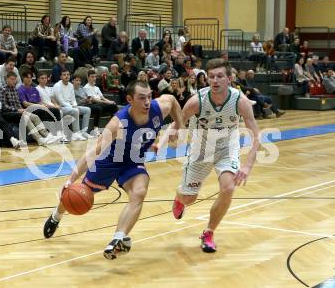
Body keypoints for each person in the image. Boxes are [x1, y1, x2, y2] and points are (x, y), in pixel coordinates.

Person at [43, 80, 184, 260]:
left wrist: (178, 126)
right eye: (142, 98)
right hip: (109, 160)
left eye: (149, 96)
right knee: (76, 194)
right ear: (130, 99)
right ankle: (56, 216)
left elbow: (172, 100)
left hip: (133, 161)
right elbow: (93, 152)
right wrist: (71, 179)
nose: (148, 102)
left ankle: (118, 239)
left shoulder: (159, 108)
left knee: (139, 192)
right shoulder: (119, 123)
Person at [170, 58, 260, 253]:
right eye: (211, 76)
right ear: (207, 79)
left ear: (229, 79)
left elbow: (255, 136)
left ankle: (209, 232)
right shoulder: (196, 101)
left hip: (226, 148)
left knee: (228, 188)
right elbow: (178, 121)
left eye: (220, 76)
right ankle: (179, 197)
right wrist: (172, 133)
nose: (215, 80)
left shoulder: (240, 101)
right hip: (200, 150)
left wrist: (247, 166)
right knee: (188, 199)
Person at [0, 71, 60, 146]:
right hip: (7, 113)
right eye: (12, 79)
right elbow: (4, 106)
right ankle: (39, 139)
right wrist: (18, 110)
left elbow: (18, 103)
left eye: (15, 79)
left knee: (35, 117)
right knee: (26, 117)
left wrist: (21, 109)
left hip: (18, 111)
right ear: (6, 79)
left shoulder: (14, 89)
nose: (13, 81)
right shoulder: (2, 89)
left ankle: (46, 135)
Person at [52, 68, 90, 141]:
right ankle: (76, 132)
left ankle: (84, 132)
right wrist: (73, 107)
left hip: (71, 106)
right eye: (64, 75)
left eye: (68, 75)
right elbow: (61, 101)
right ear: (60, 77)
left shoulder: (71, 85)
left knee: (87, 110)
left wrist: (75, 105)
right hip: (61, 107)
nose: (66, 76)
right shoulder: (57, 86)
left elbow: (73, 99)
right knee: (75, 111)